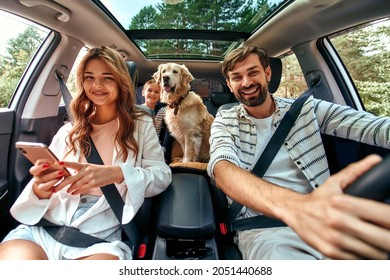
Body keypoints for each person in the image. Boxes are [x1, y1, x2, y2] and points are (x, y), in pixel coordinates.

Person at [207, 45, 390, 260]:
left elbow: (373, 127)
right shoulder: (225, 120)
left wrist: (314, 211)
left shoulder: (306, 109)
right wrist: (300, 208)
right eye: (237, 77)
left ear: (267, 73)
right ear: (229, 84)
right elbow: (222, 168)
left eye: (253, 72)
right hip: (265, 230)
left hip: (326, 218)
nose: (246, 83)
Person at [0, 46, 172, 260]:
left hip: (100, 237)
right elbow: (46, 184)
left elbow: (162, 175)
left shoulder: (141, 125)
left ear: (121, 81)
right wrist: (40, 189)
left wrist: (117, 173)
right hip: (47, 227)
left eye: (107, 78)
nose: (97, 85)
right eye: (89, 77)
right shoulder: (69, 129)